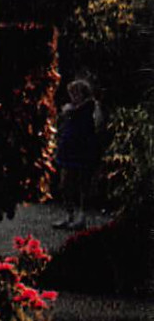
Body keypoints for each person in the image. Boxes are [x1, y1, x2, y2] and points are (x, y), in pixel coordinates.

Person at [54, 78, 105, 230]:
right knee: (65, 184)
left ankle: (81, 217)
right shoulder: (69, 108)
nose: (73, 96)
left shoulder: (91, 107)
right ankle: (69, 215)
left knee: (83, 183)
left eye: (76, 93)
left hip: (83, 149)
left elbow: (99, 125)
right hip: (69, 149)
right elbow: (64, 120)